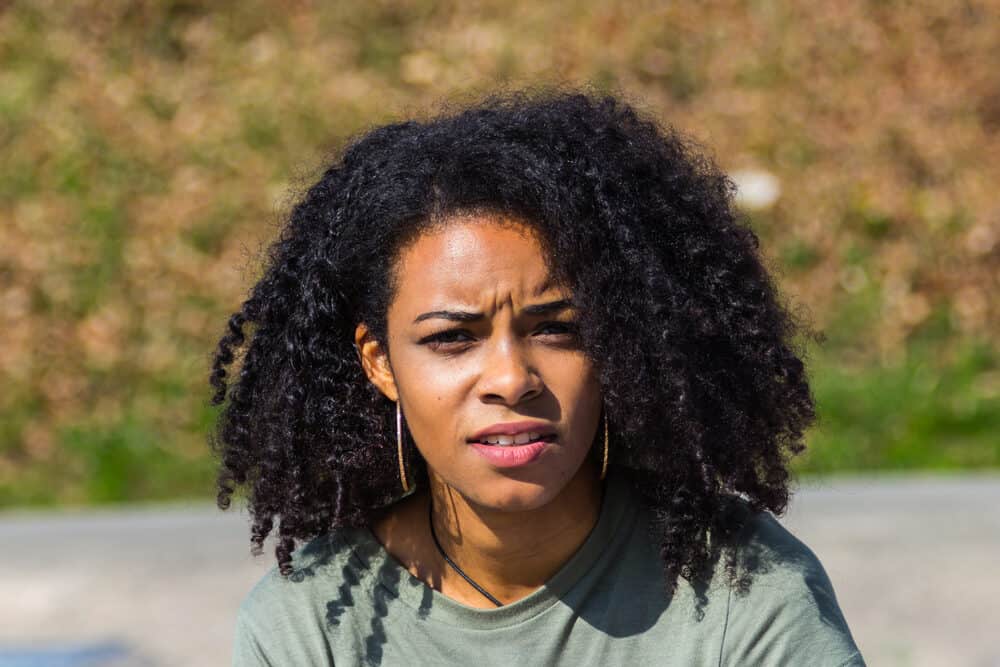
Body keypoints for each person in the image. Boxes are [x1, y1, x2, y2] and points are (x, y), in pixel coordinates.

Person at [209, 89, 865, 666]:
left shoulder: (745, 595)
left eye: (558, 328)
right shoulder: (309, 627)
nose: (510, 377)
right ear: (380, 362)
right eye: (451, 338)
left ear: (618, 342)